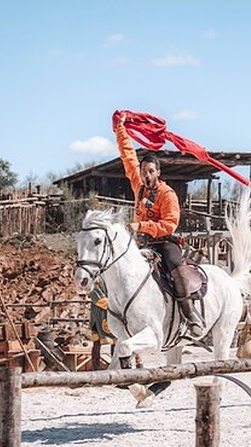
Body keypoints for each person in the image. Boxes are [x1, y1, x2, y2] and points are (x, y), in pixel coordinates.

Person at [113, 112, 204, 337]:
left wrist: (142, 226)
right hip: (142, 243)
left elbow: (170, 224)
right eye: (144, 172)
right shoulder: (139, 186)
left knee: (176, 266)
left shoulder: (167, 194)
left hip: (164, 242)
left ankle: (189, 313)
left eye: (150, 172)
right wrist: (120, 130)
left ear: (158, 172)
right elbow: (128, 156)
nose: (146, 175)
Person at [88, 277, 115, 370]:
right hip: (100, 312)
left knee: (116, 340)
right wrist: (114, 305)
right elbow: (96, 296)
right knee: (97, 341)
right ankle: (96, 367)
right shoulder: (95, 279)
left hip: (113, 312)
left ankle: (116, 366)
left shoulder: (111, 276)